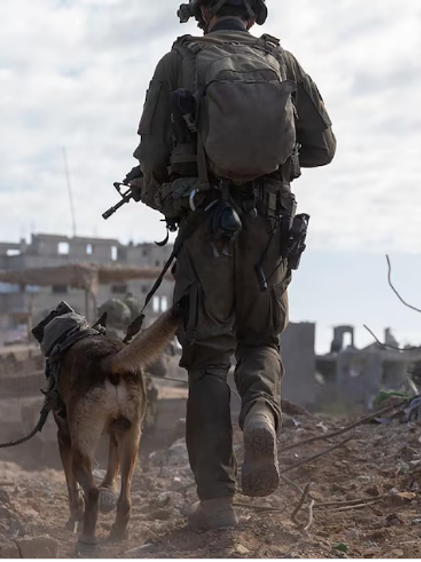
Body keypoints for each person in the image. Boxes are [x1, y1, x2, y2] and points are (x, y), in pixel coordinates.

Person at [131, 0, 336, 529]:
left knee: (207, 361)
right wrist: (271, 165)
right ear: (252, 14)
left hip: (207, 233)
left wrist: (169, 189)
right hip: (271, 230)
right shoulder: (281, 62)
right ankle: (261, 413)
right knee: (261, 342)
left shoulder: (178, 62)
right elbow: (324, 147)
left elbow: (152, 159)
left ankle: (217, 504)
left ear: (203, 11)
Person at [96, 297, 161, 430]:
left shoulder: (89, 336)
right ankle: (146, 425)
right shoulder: (124, 340)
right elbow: (160, 370)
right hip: (119, 406)